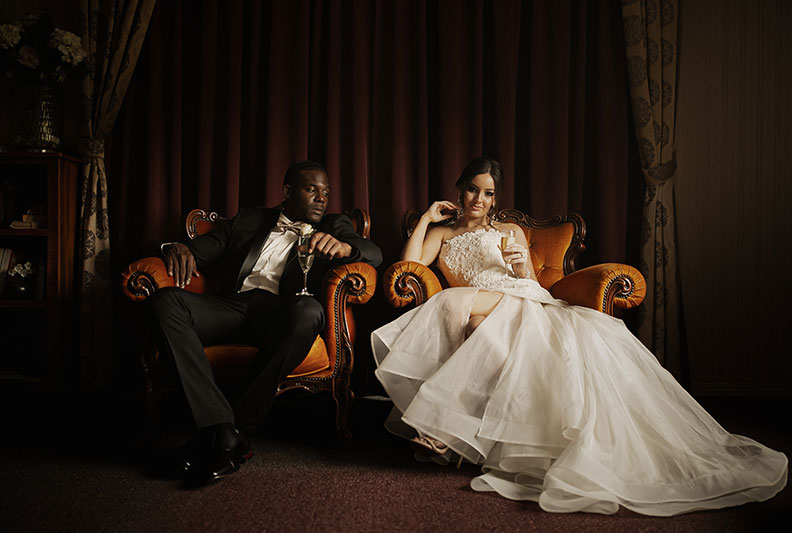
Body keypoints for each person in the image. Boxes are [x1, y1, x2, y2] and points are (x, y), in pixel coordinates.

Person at [372, 157, 787, 515]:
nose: (480, 201)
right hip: (478, 306)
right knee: (477, 327)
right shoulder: (444, 233)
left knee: (450, 306)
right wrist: (427, 218)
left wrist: (520, 266)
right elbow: (409, 265)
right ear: (459, 191)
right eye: (473, 191)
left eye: (489, 193)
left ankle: (443, 435)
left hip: (515, 296)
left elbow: (530, 280)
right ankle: (464, 442)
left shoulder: (511, 229)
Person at [151, 160, 382, 487]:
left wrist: (347, 247)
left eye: (325, 192)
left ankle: (231, 427)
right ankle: (222, 430)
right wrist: (175, 247)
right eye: (311, 189)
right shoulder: (249, 219)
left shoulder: (333, 224)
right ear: (288, 192)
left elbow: (374, 253)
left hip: (284, 312)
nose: (321, 198)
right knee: (166, 300)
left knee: (310, 311)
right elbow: (196, 251)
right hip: (232, 306)